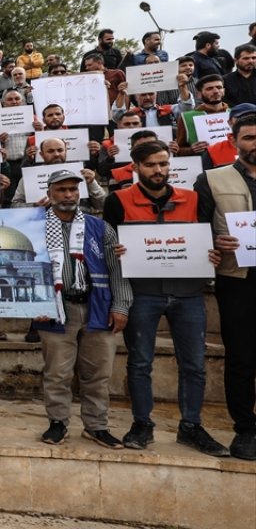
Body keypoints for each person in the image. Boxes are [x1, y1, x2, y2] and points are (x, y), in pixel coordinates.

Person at [101, 140, 228, 455]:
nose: (159, 171)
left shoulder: (194, 199)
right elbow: (107, 244)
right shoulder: (117, 200)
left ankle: (191, 426)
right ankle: (142, 423)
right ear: (135, 168)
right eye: (151, 165)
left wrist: (212, 251)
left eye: (163, 164)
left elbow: (208, 237)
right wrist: (114, 251)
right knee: (140, 362)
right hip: (142, 294)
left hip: (188, 294)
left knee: (195, 364)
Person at [35, 170, 132, 449]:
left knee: (98, 373)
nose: (68, 195)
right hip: (55, 308)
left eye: (73, 190)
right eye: (62, 190)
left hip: (96, 306)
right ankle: (58, 422)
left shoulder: (99, 227)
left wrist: (121, 305)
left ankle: (96, 425)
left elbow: (118, 270)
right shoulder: (35, 226)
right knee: (57, 373)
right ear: (50, 192)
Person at [196, 113, 256, 460]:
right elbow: (198, 230)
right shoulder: (212, 178)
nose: (254, 144)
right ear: (234, 142)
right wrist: (216, 242)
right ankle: (245, 429)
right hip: (237, 281)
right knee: (241, 357)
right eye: (248, 137)